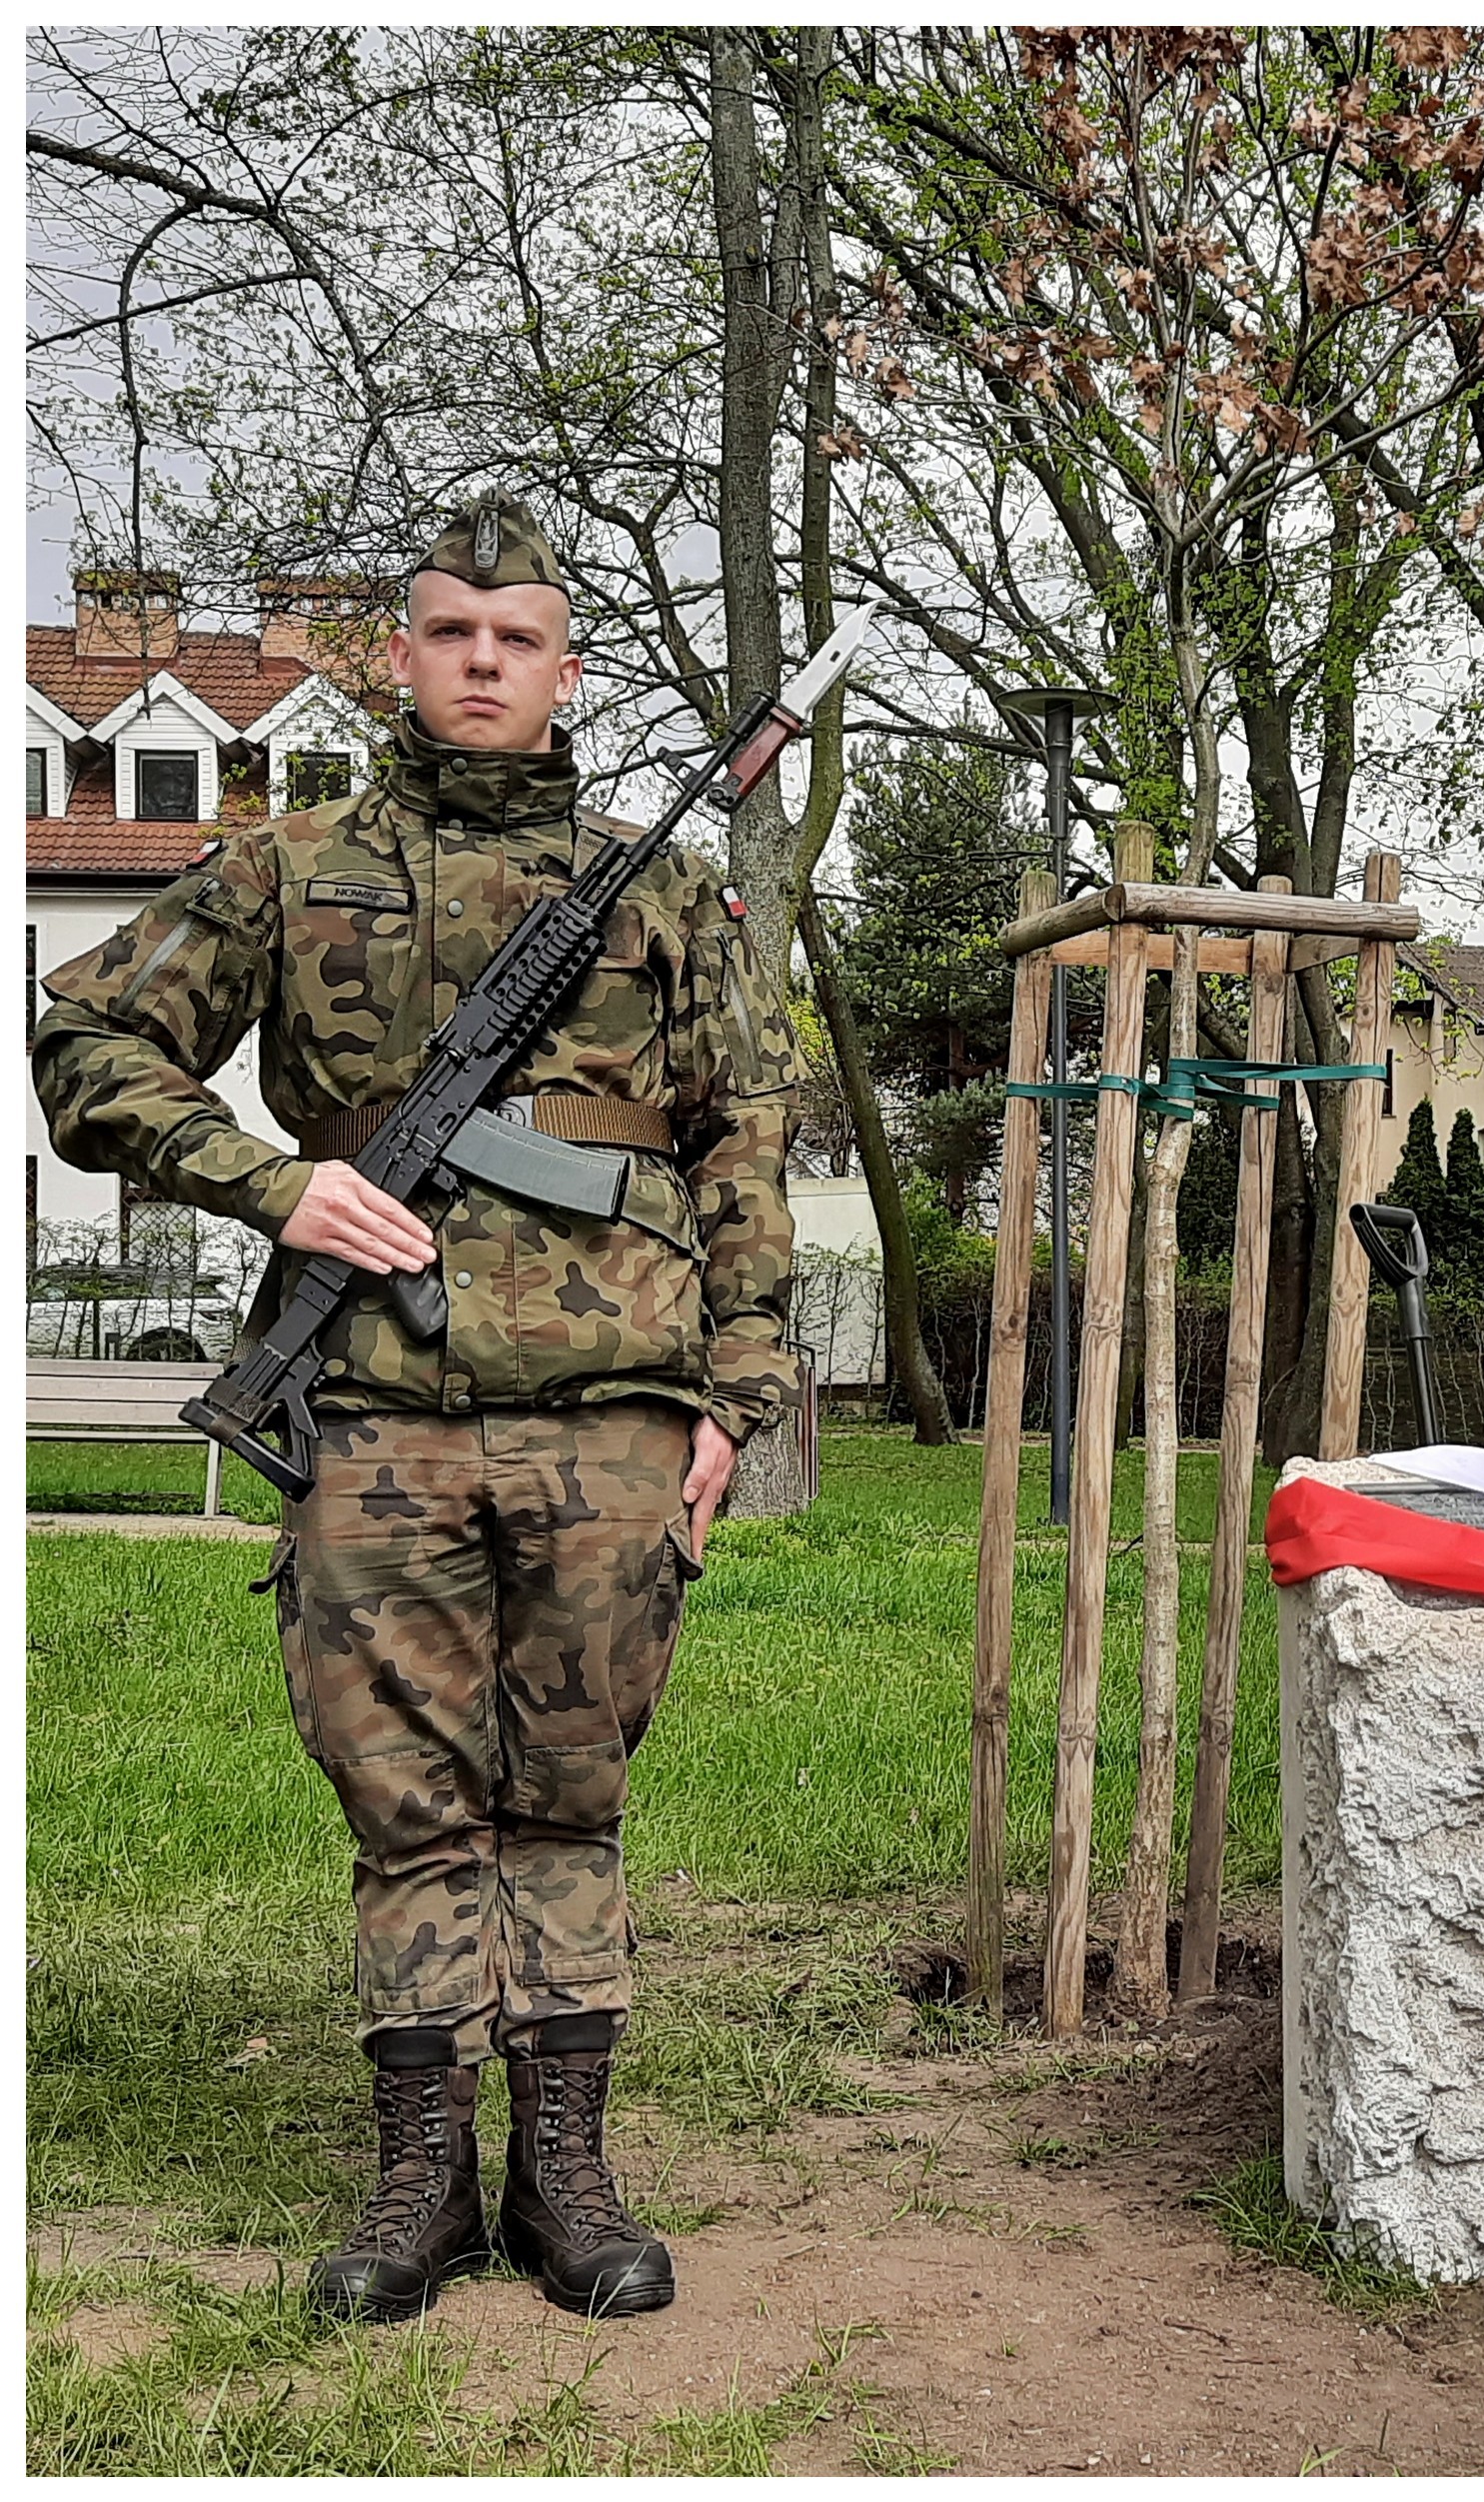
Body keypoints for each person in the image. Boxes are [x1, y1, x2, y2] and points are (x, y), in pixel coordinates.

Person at [34, 499, 801, 2324]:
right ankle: (417, 2177)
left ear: (565, 667)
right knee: (407, 1806)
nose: (478, 659)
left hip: (614, 1410)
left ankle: (566, 2172)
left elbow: (743, 1143)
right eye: (447, 629)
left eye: (513, 636)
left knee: (570, 1795)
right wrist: (265, 1180)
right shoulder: (288, 866)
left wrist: (738, 1398)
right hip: (372, 1409)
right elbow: (83, 1040)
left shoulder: (664, 884)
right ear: (400, 651)